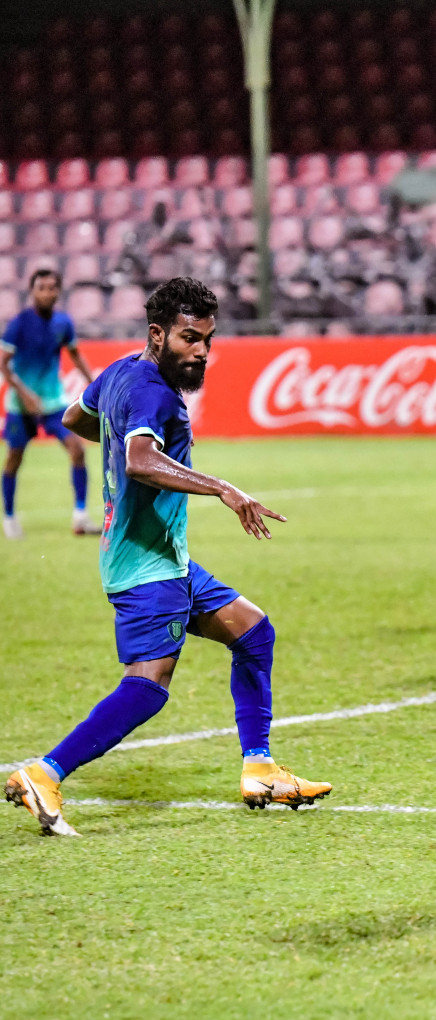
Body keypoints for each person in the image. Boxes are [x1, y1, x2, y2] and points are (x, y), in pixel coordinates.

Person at [5, 278, 331, 837]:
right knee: (148, 685)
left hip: (166, 558)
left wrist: (116, 441)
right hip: (144, 564)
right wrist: (222, 487)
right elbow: (138, 460)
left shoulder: (121, 371)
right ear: (158, 334)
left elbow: (74, 421)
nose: (201, 350)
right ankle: (45, 771)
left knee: (254, 633)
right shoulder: (153, 391)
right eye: (189, 338)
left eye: (207, 338)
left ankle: (260, 769)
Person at [1, 268, 99, 539]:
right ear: (32, 291)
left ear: (58, 291)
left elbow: (75, 355)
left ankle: (80, 517)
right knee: (13, 459)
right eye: (41, 287)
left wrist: (97, 386)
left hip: (54, 402)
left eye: (52, 287)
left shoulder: (63, 323)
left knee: (77, 450)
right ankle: (8, 517)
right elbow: (4, 364)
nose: (47, 292)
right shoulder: (19, 323)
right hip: (21, 406)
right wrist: (24, 394)